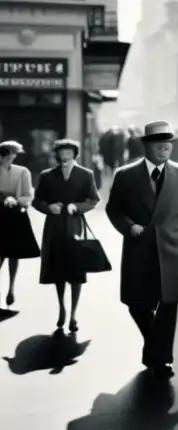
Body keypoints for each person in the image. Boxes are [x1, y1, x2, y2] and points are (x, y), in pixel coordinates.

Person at [106, 121, 178, 379]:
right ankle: (156, 348)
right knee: (137, 304)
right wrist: (129, 226)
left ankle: (162, 359)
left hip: (173, 249)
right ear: (146, 146)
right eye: (159, 144)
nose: (165, 149)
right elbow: (113, 209)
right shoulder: (125, 175)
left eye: (168, 144)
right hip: (139, 248)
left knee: (168, 305)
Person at [32, 138, 100, 332]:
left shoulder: (86, 175)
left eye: (69, 153)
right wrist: (48, 207)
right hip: (54, 227)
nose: (65, 157)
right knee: (58, 270)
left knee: (76, 271)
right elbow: (37, 201)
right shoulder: (47, 176)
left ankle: (73, 314)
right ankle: (62, 307)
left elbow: (93, 199)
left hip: (74, 225)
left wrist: (77, 207)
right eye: (61, 153)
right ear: (57, 155)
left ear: (74, 154)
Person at [0, 140, 40, 307]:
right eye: (8, 154)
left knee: (13, 253)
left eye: (12, 154)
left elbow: (28, 194)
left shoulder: (23, 171)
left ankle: (11, 287)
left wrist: (16, 200)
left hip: (15, 214)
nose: (11, 157)